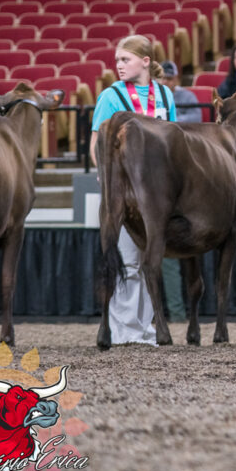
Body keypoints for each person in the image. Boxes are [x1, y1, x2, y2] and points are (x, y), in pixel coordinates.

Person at [89, 35, 179, 347]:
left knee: (149, 260)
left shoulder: (165, 95)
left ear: (145, 61)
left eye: (125, 59)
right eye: (117, 60)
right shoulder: (111, 96)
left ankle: (143, 327)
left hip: (158, 192)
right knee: (127, 260)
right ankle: (127, 330)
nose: (119, 65)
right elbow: (96, 144)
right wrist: (107, 175)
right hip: (124, 190)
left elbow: (174, 141)